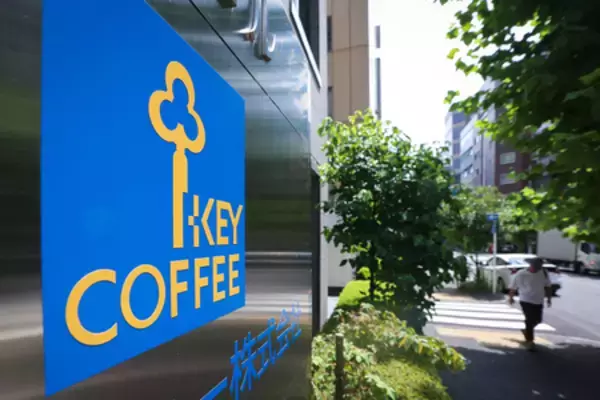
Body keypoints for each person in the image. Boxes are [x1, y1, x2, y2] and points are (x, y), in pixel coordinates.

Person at [508, 257, 552, 351]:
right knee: (529, 319)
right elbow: (513, 287)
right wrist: (511, 298)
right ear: (532, 265)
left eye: (541, 265)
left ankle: (527, 331)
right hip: (525, 300)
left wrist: (549, 299)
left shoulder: (543, 273)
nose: (540, 267)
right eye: (538, 265)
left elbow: (548, 286)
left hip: (538, 300)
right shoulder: (521, 274)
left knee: (538, 320)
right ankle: (530, 341)